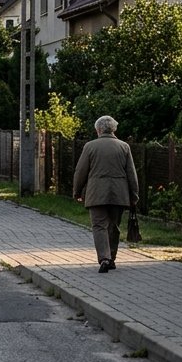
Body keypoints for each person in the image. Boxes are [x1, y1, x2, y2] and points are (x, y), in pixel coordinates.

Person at [72, 115, 139, 273]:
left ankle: (104, 258)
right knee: (113, 226)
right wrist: (134, 194)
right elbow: (132, 173)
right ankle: (112, 258)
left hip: (96, 193)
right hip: (119, 193)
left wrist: (77, 191)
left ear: (98, 130)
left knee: (99, 226)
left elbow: (80, 171)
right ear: (114, 129)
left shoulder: (90, 146)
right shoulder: (124, 147)